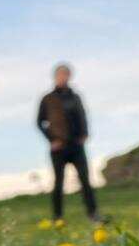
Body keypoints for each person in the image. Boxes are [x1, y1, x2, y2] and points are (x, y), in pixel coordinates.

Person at [37, 63, 103, 222]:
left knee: (85, 180)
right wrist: (52, 140)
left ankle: (93, 214)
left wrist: (84, 134)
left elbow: (83, 116)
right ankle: (58, 217)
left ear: (69, 76)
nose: (63, 77)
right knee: (58, 183)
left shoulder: (75, 97)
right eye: (60, 74)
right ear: (55, 77)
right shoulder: (48, 99)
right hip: (58, 147)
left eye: (66, 74)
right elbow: (40, 122)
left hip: (76, 146)